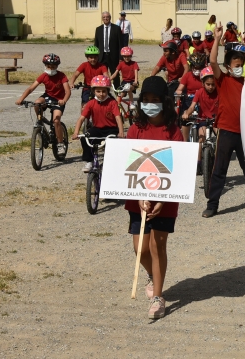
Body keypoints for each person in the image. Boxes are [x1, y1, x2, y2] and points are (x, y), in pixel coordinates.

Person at [126, 75, 184, 319]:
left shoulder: (174, 132)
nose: (150, 104)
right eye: (146, 99)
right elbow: (129, 164)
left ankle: (158, 297)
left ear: (165, 102)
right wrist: (139, 195)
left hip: (165, 201)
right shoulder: (135, 129)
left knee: (157, 245)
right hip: (137, 199)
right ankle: (152, 275)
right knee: (139, 247)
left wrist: (163, 199)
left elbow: (179, 168)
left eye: (155, 100)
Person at [203, 23, 245, 218]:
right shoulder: (223, 79)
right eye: (237, 65)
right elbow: (212, 61)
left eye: (242, 65)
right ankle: (212, 204)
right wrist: (217, 39)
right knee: (219, 168)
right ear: (229, 67)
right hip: (226, 130)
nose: (240, 68)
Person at [15, 53, 70, 156]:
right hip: (48, 96)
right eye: (48, 66)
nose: (50, 68)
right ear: (45, 66)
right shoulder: (44, 76)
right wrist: (21, 99)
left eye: (53, 67)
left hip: (59, 99)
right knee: (37, 102)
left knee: (56, 120)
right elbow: (31, 88)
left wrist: (64, 100)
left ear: (57, 66)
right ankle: (39, 120)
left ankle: (60, 144)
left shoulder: (61, 76)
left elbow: (68, 91)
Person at [72, 75, 125, 172]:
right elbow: (81, 119)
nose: (101, 94)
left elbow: (118, 118)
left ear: (108, 91)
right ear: (93, 91)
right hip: (97, 129)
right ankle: (89, 161)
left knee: (114, 144)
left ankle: (111, 162)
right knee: (85, 138)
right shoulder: (91, 103)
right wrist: (76, 132)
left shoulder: (112, 103)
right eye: (98, 91)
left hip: (111, 129)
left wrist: (121, 132)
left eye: (104, 91)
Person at [183, 66, 218, 169]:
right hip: (202, 119)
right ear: (202, 83)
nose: (211, 87)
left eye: (213, 84)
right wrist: (187, 114)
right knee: (201, 139)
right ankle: (198, 162)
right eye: (208, 84)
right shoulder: (199, 92)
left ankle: (218, 161)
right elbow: (192, 106)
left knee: (220, 139)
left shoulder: (219, 92)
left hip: (216, 120)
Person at [175, 52, 207, 143]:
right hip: (189, 100)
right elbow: (180, 88)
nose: (197, 70)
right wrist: (178, 93)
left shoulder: (205, 76)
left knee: (206, 120)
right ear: (192, 66)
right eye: (195, 67)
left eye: (199, 68)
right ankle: (185, 140)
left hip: (202, 100)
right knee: (185, 117)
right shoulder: (187, 76)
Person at [94, 11, 123, 88]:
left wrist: (121, 57)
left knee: (115, 75)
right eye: (104, 17)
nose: (105, 18)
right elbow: (96, 44)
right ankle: (102, 91)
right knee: (100, 75)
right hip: (102, 56)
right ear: (102, 19)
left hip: (113, 56)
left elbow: (121, 44)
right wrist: (95, 56)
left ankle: (118, 93)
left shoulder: (116, 28)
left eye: (107, 17)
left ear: (110, 18)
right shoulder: (98, 29)